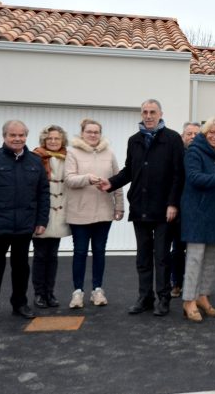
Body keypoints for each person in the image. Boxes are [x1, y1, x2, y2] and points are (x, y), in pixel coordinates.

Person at [99, 99, 184, 317]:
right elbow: (130, 170)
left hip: (164, 209)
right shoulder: (134, 140)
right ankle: (144, 298)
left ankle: (163, 299)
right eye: (145, 112)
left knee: (162, 257)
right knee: (143, 257)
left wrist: (173, 203)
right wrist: (112, 183)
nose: (148, 116)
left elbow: (178, 174)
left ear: (160, 114)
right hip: (140, 206)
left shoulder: (172, 139)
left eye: (152, 112)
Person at [0, 120, 49, 323]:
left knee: (21, 268)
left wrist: (41, 220)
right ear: (4, 136)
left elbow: (43, 193)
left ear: (26, 137)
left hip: (24, 225)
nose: (17, 139)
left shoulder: (35, 161)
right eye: (13, 135)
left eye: (21, 135)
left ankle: (20, 304)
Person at [180, 117, 215, 322]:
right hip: (196, 211)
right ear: (205, 134)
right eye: (211, 132)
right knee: (195, 258)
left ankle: (203, 296)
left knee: (211, 259)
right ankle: (188, 300)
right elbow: (194, 177)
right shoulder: (194, 151)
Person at [65, 119, 124, 309]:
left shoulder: (109, 153)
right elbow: (69, 179)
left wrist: (119, 206)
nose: (93, 135)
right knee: (80, 252)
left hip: (103, 211)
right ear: (82, 133)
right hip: (79, 212)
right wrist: (87, 179)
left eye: (96, 132)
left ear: (100, 134)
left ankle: (98, 290)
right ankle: (77, 292)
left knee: (99, 251)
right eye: (89, 132)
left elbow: (117, 182)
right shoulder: (72, 152)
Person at [31, 125, 71, 308]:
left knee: (53, 255)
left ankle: (50, 293)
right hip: (41, 213)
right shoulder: (35, 157)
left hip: (60, 212)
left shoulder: (69, 158)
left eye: (57, 138)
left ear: (62, 140)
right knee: (40, 255)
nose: (53, 142)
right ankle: (39, 294)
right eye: (50, 139)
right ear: (44, 141)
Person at [169, 121, 201, 299]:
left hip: (197, 210)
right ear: (182, 137)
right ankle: (177, 283)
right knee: (177, 249)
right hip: (179, 210)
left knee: (197, 251)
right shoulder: (176, 155)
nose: (192, 137)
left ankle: (195, 284)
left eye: (196, 134)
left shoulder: (204, 155)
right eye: (189, 133)